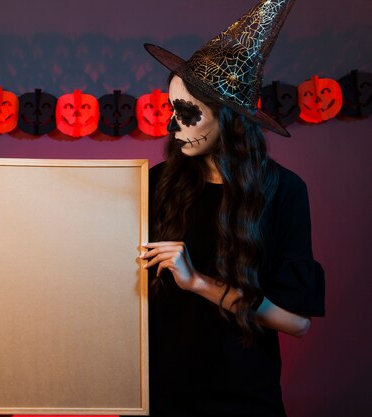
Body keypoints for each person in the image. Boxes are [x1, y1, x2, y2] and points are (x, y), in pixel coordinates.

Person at [141, 1, 325, 416]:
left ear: (231, 118)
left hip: (242, 399)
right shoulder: (154, 184)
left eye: (188, 113)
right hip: (159, 395)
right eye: (172, 109)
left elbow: (297, 321)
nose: (173, 126)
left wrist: (198, 283)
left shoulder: (284, 191)